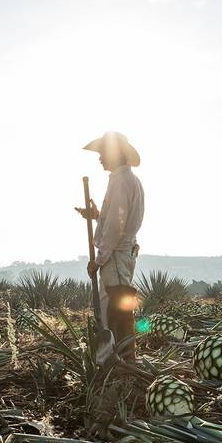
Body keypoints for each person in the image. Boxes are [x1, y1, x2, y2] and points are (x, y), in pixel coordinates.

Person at [76, 131, 144, 363]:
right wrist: (98, 216)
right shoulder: (130, 181)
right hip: (123, 253)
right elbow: (117, 220)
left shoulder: (120, 182)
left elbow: (115, 227)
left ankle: (118, 363)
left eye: (103, 153)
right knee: (119, 307)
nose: (100, 158)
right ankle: (122, 361)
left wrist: (100, 258)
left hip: (115, 256)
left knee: (113, 311)